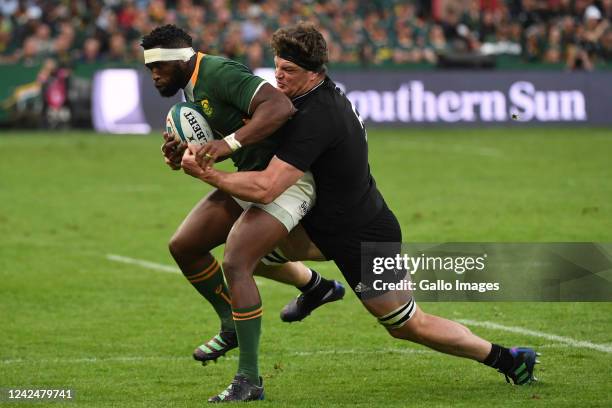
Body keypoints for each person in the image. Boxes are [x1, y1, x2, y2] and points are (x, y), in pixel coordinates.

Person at [181, 22, 540, 402]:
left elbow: (268, 186)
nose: (278, 78)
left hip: (363, 236)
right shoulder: (301, 100)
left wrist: (209, 172)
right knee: (247, 257)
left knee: (407, 325)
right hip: (321, 227)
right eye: (277, 68)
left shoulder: (317, 117)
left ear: (315, 73)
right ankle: (315, 288)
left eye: (289, 72)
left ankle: (508, 359)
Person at [140, 24, 345, 398]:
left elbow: (279, 107)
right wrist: (182, 153)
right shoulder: (191, 89)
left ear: (180, 60)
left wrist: (227, 144)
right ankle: (232, 322)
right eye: (148, 68)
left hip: (284, 177)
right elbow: (213, 141)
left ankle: (249, 380)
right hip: (251, 174)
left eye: (159, 67)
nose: (154, 75)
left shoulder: (218, 72)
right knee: (184, 245)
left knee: (237, 261)